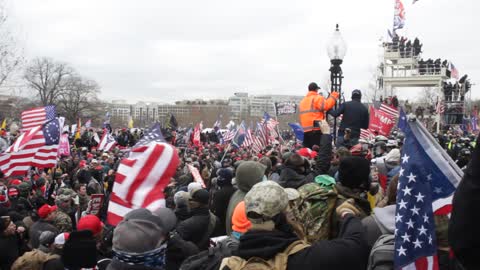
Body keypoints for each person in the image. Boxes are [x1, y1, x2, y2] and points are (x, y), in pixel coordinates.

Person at [220, 181, 368, 270]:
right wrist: (347, 214)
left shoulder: (230, 261)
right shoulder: (310, 258)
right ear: (282, 217)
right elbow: (357, 244)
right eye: (290, 209)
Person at [299, 82, 339, 149]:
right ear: (316, 90)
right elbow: (326, 106)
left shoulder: (303, 101)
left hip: (306, 130)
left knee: (308, 152)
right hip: (315, 129)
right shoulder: (317, 98)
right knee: (317, 151)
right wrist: (334, 96)